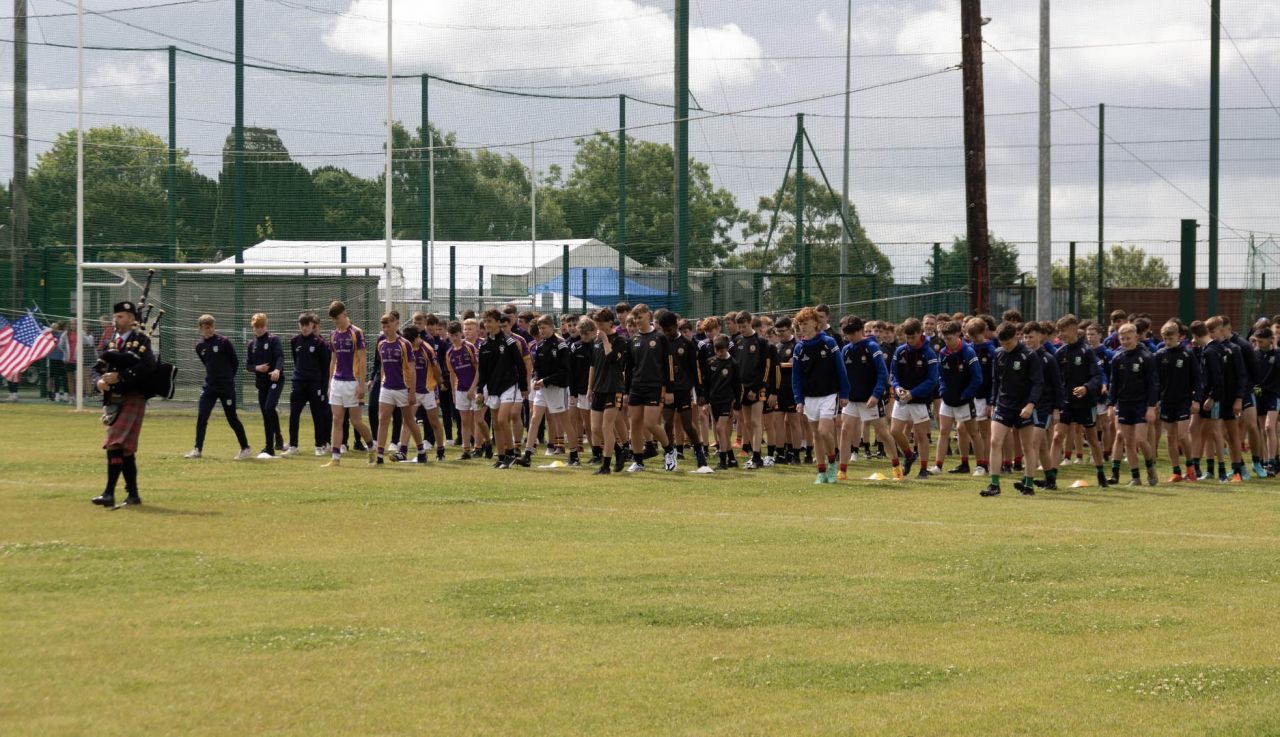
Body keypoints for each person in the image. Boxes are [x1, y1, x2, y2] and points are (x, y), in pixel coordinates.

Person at [90, 301, 155, 507]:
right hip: (114, 400)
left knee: (114, 441)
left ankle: (108, 493)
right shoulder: (111, 342)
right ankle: (133, 495)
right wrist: (99, 382)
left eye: (121, 316)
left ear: (132, 319)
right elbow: (97, 368)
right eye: (115, 316)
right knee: (125, 449)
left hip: (134, 396)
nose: (116, 320)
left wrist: (121, 377)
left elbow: (148, 367)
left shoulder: (141, 340)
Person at [981, 321, 1043, 497]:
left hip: (1023, 407)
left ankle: (1029, 485)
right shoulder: (998, 354)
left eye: (1008, 343)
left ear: (1016, 337)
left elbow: (1037, 383)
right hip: (1003, 405)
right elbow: (996, 381)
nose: (1005, 347)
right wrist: (992, 403)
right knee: (995, 442)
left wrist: (1031, 404)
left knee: (1027, 446)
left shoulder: (1029, 356)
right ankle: (994, 485)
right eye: (1002, 343)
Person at [791, 307, 850, 485]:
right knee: (816, 435)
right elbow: (796, 377)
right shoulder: (799, 348)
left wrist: (845, 393)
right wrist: (798, 399)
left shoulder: (829, 342)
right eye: (800, 323)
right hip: (810, 397)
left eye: (806, 322)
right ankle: (821, 471)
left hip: (829, 394)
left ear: (816, 323)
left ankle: (833, 463)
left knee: (825, 431)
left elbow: (841, 369)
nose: (803, 326)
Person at [838, 317, 901, 481]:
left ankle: (896, 467)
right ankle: (842, 471)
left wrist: (876, 394)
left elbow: (883, 373)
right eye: (846, 335)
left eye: (851, 334)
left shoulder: (872, 347)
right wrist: (843, 395)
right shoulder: (846, 350)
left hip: (869, 399)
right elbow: (843, 376)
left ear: (859, 331)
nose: (848, 338)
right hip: (852, 399)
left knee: (882, 432)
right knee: (845, 431)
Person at [1051, 314, 1109, 488]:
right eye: (1059, 331)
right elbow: (1054, 380)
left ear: (1074, 329)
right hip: (1066, 403)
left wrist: (1086, 387)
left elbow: (1097, 376)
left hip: (1085, 403)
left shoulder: (1087, 351)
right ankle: (1051, 478)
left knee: (1091, 438)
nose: (1061, 334)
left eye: (1064, 330)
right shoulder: (1060, 353)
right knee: (1057, 437)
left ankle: (1100, 474)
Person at [185, 314, 252, 460]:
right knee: (202, 416)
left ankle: (245, 448)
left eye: (211, 327)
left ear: (214, 327)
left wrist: (227, 379)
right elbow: (207, 363)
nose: (209, 330)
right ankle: (197, 449)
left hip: (226, 387)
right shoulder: (199, 346)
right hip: (209, 387)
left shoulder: (224, 342)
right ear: (200, 328)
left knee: (231, 418)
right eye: (205, 328)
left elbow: (235, 362)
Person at [658, 309, 712, 473]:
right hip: (667, 390)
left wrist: (700, 392)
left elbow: (695, 371)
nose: (668, 333)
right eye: (665, 330)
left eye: (670, 330)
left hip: (683, 390)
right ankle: (669, 452)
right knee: (666, 423)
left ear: (676, 326)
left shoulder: (688, 345)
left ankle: (699, 453)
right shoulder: (661, 343)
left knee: (688, 424)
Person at [323, 300, 375, 467]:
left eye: (337, 317)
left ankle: (372, 446)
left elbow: (362, 358)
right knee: (337, 419)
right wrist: (330, 383)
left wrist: (361, 384)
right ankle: (335, 458)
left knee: (356, 421)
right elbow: (333, 360)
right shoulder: (334, 335)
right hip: (337, 382)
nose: (335, 321)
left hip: (353, 382)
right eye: (333, 319)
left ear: (344, 314)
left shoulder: (356, 333)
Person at [1108, 323, 1160, 487]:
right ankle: (1135, 477)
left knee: (1140, 439)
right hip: (1124, 404)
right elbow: (1113, 384)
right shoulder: (1117, 358)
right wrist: (1110, 405)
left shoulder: (1146, 356)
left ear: (1136, 337)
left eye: (1128, 338)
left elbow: (1153, 384)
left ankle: (1150, 467)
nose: (1125, 341)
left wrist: (1151, 407)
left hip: (1141, 404)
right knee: (1128, 442)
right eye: (1122, 339)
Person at [929, 320, 983, 477]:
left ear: (958, 335)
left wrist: (966, 394)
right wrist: (943, 389)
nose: (947, 342)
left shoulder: (968, 352)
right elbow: (940, 375)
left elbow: (977, 378)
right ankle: (938, 466)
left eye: (950, 338)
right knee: (944, 431)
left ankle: (981, 466)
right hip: (948, 399)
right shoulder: (943, 353)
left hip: (964, 400)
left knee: (973, 432)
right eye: (945, 339)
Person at [476, 309, 528, 469]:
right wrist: (479, 391)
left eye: (490, 321)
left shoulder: (509, 342)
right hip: (492, 388)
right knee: (496, 425)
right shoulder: (483, 345)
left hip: (508, 385)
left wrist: (524, 386)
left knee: (501, 419)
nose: (487, 324)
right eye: (485, 321)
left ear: (498, 322)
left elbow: (520, 364)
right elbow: (482, 371)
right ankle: (501, 456)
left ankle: (511, 453)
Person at [517, 315, 571, 468]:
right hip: (542, 388)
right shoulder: (540, 346)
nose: (542, 330)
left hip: (558, 388)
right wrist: (535, 378)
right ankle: (527, 453)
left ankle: (573, 453)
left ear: (552, 327)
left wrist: (545, 380)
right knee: (535, 418)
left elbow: (565, 370)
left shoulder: (561, 345)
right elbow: (537, 368)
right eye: (540, 328)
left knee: (564, 421)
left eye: (544, 327)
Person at [889, 318, 939, 479]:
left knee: (921, 435)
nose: (910, 341)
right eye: (907, 337)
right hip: (902, 398)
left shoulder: (929, 353)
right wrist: (897, 388)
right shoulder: (900, 351)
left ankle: (923, 469)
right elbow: (893, 374)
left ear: (920, 333)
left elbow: (932, 380)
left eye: (913, 337)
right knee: (895, 431)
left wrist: (914, 393)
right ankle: (909, 455)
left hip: (919, 399)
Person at [1154, 320, 1202, 483]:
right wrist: (1155, 401)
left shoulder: (1187, 354)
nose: (1168, 342)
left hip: (1183, 401)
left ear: (1178, 337)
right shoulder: (1160, 355)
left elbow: (1197, 379)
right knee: (1170, 438)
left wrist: (1196, 400)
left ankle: (1190, 467)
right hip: (1167, 402)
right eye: (1165, 339)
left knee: (1182, 436)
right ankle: (1176, 471)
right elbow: (1156, 381)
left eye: (1171, 338)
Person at [588, 308, 629, 475]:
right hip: (598, 388)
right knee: (595, 429)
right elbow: (593, 366)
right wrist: (590, 387)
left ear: (610, 323)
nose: (598, 327)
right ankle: (619, 451)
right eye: (596, 324)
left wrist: (605, 340)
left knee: (606, 427)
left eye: (601, 324)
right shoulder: (595, 341)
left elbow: (614, 360)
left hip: (614, 388)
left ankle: (605, 466)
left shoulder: (620, 341)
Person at [284, 312, 331, 457]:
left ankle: (319, 445)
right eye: (302, 325)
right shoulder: (294, 341)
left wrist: (324, 389)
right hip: (298, 383)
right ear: (299, 325)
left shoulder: (320, 343)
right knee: (294, 415)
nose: (305, 328)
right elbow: (296, 359)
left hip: (315, 385)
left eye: (307, 325)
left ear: (312, 325)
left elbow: (325, 368)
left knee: (317, 415)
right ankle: (293, 445)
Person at [372, 313, 416, 465]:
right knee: (383, 419)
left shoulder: (404, 344)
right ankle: (379, 454)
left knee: (409, 420)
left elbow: (411, 369)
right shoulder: (381, 344)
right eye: (383, 327)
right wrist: (383, 381)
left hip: (402, 388)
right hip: (387, 387)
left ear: (396, 325)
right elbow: (383, 365)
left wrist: (411, 390)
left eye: (388, 326)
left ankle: (421, 449)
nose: (385, 329)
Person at [403, 324, 445, 463]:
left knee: (434, 422)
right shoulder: (406, 348)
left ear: (417, 338)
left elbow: (436, 368)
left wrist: (440, 382)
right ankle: (402, 451)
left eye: (412, 340)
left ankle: (440, 451)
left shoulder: (427, 349)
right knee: (408, 420)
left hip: (428, 390)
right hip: (413, 391)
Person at [245, 313, 285, 458]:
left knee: (269, 408)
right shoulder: (251, 344)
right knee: (266, 413)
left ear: (266, 326)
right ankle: (271, 445)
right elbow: (248, 365)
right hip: (261, 383)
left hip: (275, 381)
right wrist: (257, 368)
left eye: (262, 326)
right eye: (257, 327)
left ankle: (275, 440)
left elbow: (280, 356)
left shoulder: (273, 340)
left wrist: (276, 370)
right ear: (253, 328)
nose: (259, 329)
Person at [703, 334, 742, 470]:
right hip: (714, 401)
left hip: (727, 401)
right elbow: (706, 384)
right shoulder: (710, 362)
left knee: (720, 428)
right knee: (723, 432)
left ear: (727, 348)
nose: (719, 353)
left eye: (722, 350)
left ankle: (723, 461)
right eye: (717, 350)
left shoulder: (733, 364)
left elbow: (738, 386)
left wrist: (737, 405)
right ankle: (731, 459)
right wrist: (706, 402)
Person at [1253, 327, 1278, 474]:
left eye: (1261, 341)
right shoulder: (1255, 355)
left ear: (1270, 339)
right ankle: (1264, 462)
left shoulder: (1277, 354)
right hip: (1258, 395)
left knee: (1270, 427)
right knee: (1263, 430)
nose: (1258, 344)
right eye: (1256, 341)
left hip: (1274, 394)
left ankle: (1272, 462)